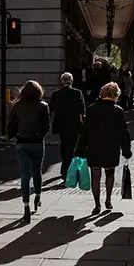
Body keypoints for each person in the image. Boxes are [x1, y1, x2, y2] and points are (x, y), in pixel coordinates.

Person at [76, 82, 133, 215]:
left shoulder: (91, 109)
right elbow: (123, 133)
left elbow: (84, 131)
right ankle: (108, 199)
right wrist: (126, 150)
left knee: (95, 176)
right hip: (111, 147)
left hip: (94, 146)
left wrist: (80, 148)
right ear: (115, 95)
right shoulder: (118, 110)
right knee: (110, 174)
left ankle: (97, 205)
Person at [7, 81, 50, 223]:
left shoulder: (17, 106)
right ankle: (37, 195)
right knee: (37, 171)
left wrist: (15, 135)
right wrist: (40, 136)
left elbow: (10, 124)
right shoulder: (43, 106)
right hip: (37, 143)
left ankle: (25, 205)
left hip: (22, 143)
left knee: (25, 176)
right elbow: (46, 127)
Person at [50, 72, 86, 182]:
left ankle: (64, 169)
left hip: (61, 124)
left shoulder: (56, 94)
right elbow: (82, 109)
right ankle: (68, 170)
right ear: (71, 81)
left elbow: (51, 109)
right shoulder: (77, 93)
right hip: (74, 124)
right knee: (71, 147)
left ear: (62, 81)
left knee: (64, 145)